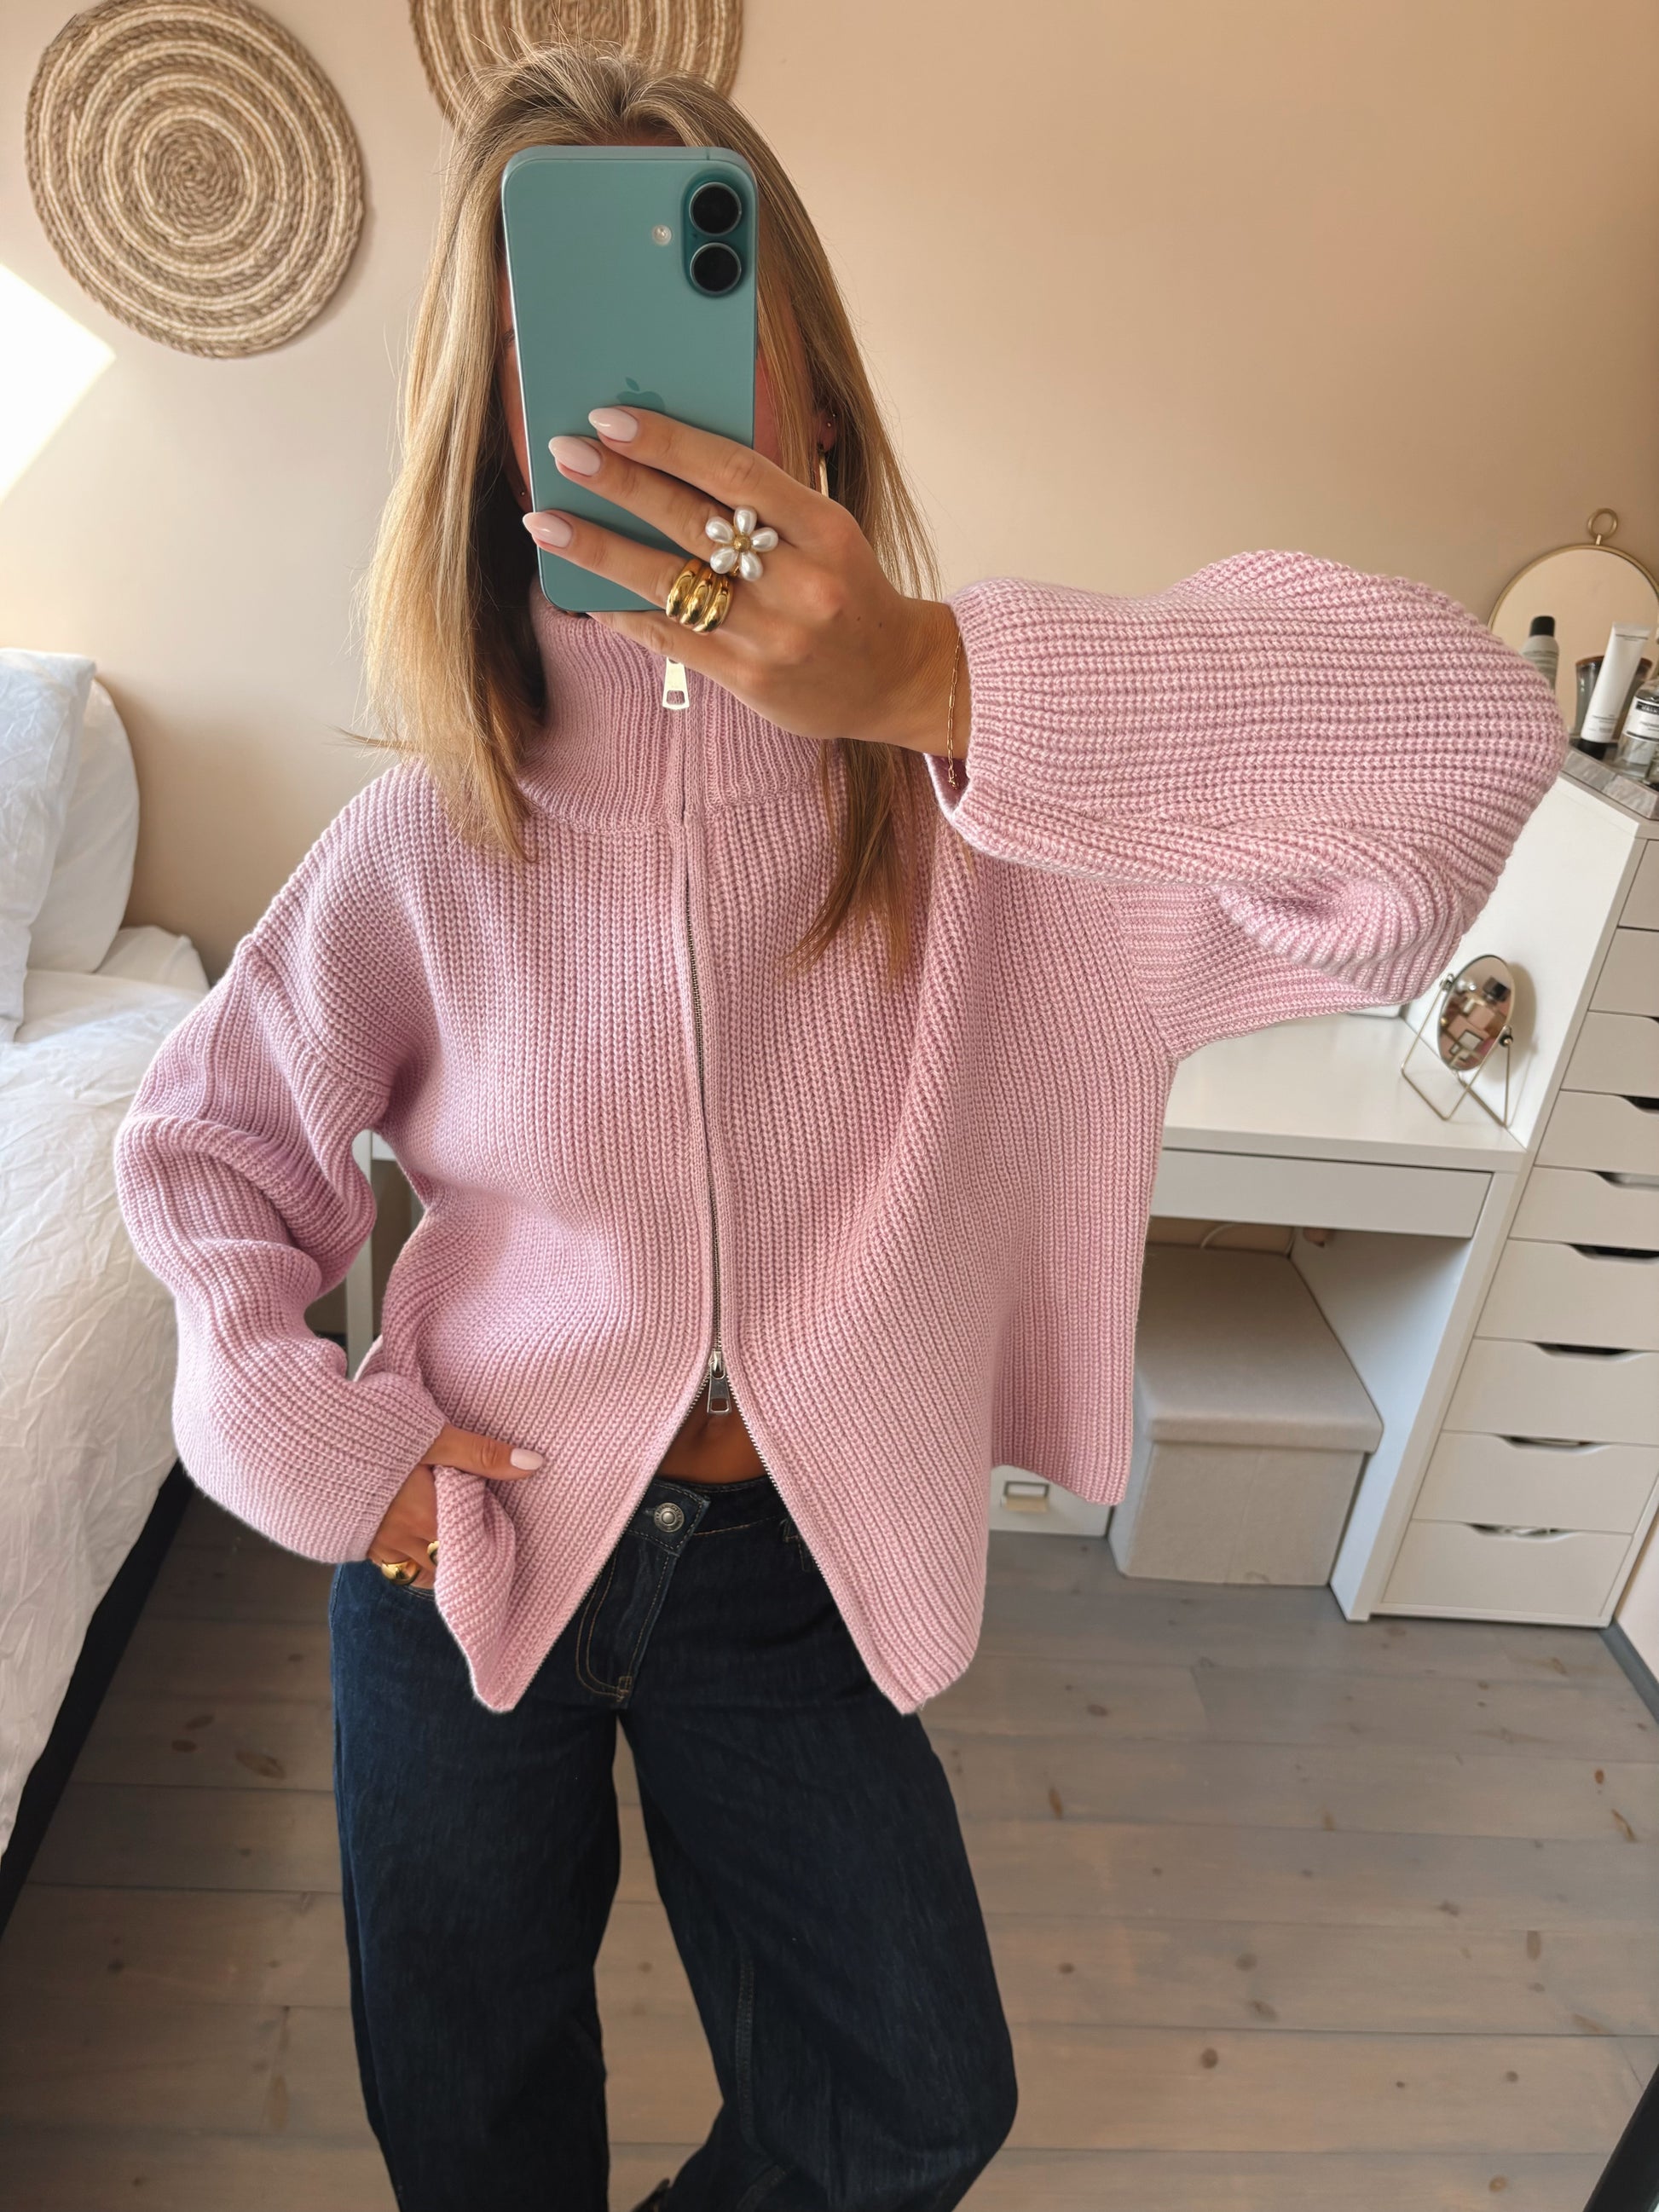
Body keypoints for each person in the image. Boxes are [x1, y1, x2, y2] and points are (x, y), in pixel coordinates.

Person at [113, 41, 1566, 2212]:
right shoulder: (425, 839)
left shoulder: (991, 821)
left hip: (782, 1572)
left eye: (703, 317)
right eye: (556, 351)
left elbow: (1467, 740)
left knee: (911, 2102)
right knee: (471, 2128)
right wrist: (313, 1444)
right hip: (465, 1538)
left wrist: (933, 683)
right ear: (481, 429)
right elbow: (204, 1153)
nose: (634, 405)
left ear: (815, 402)